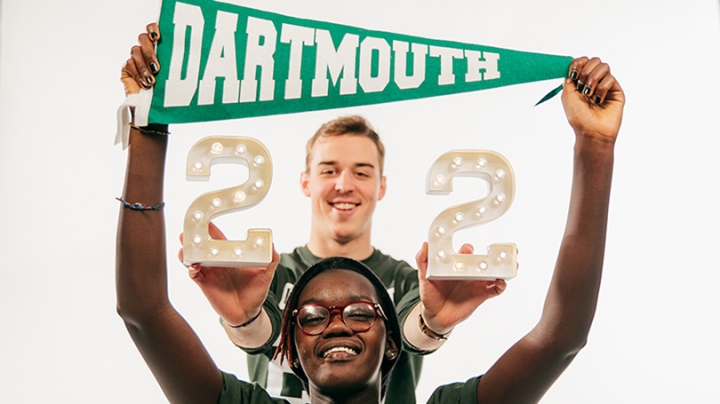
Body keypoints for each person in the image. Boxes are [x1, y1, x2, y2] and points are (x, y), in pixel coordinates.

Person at [117, 23, 624, 404]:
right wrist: (147, 125)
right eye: (311, 316)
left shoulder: (407, 280)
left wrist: (595, 146)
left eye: (363, 313)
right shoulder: (260, 270)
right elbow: (146, 311)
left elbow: (559, 337)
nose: (339, 326)